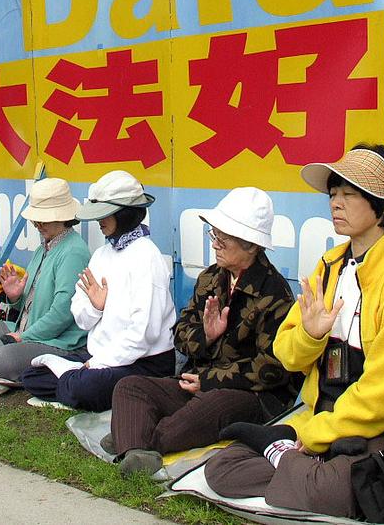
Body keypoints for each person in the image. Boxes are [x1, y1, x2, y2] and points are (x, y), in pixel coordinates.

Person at [205, 145, 384, 518]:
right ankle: (297, 464)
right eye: (333, 194)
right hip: (323, 415)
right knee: (221, 468)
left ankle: (293, 459)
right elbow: (287, 355)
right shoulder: (330, 267)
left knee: (335, 488)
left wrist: (308, 437)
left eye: (349, 195)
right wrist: (310, 333)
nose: (336, 204)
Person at [108, 187, 303, 477]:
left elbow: (271, 369)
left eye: (224, 238)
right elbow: (181, 333)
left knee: (212, 404)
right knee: (130, 386)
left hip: (251, 397)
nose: (215, 244)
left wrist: (209, 380)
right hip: (196, 383)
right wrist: (207, 336)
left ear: (251, 244)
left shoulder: (275, 293)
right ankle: (136, 443)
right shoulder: (211, 278)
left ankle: (136, 440)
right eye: (215, 235)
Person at [19, 170, 176, 412]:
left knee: (87, 386)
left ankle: (72, 381)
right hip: (98, 358)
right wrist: (95, 307)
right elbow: (80, 317)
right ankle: (73, 380)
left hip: (143, 363)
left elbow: (144, 333)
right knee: (31, 375)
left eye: (106, 214)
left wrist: (97, 364)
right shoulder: (102, 254)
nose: (99, 221)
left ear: (124, 214)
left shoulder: (148, 257)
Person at [0, 178, 90, 399]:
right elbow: (30, 304)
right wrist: (15, 297)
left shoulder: (73, 251)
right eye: (37, 219)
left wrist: (23, 336)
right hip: (27, 331)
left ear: (62, 217)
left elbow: (63, 314)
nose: (38, 224)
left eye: (43, 219)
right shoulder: (43, 248)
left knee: (6, 357)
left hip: (58, 342)